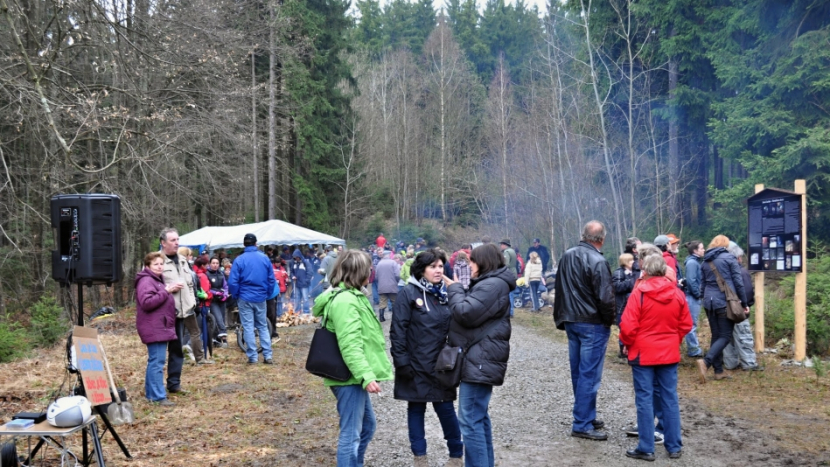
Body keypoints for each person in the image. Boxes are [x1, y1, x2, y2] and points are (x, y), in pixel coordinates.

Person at [312, 250, 393, 467]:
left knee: (366, 426)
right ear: (358, 272)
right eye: (368, 268)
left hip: (352, 375)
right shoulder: (346, 301)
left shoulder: (354, 295)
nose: (371, 271)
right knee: (351, 433)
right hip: (348, 376)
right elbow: (350, 345)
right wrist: (366, 376)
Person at [442, 243, 513, 467]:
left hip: (480, 360)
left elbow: (465, 313)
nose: (470, 265)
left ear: (483, 262)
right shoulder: (492, 283)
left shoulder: (492, 285)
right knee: (477, 418)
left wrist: (454, 289)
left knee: (470, 420)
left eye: (472, 261)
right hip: (481, 359)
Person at [391, 249, 463, 467]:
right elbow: (398, 330)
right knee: (416, 408)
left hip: (442, 365)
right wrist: (401, 362)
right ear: (422, 270)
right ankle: (420, 458)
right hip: (415, 364)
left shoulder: (445, 293)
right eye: (433, 267)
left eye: (441, 266)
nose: (438, 270)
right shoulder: (409, 293)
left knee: (446, 409)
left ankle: (456, 456)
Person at [620, 254, 692, 461]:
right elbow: (686, 324)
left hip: (643, 353)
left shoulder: (639, 293)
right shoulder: (677, 294)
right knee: (669, 398)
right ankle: (674, 446)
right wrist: (673, 339)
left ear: (646, 271)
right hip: (668, 353)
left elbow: (628, 325)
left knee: (644, 399)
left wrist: (627, 343)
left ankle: (646, 447)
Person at [553, 221, 615, 441]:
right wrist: (610, 320)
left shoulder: (567, 255)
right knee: (589, 374)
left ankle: (586, 415)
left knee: (579, 373)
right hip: (592, 323)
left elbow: (559, 287)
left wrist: (561, 317)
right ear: (601, 239)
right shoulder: (598, 261)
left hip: (572, 320)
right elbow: (606, 298)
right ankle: (582, 423)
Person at [159, 228, 211, 393]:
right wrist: (167, 289)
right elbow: (150, 286)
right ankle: (154, 388)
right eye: (173, 240)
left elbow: (190, 284)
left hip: (183, 311)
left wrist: (192, 303)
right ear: (163, 243)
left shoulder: (182, 260)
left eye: (177, 239)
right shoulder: (156, 261)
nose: (177, 243)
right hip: (165, 313)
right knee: (159, 354)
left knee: (177, 349)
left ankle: (174, 384)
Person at [696, 235, 748, 383]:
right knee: (725, 336)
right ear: (726, 245)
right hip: (724, 301)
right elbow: (738, 283)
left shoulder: (706, 261)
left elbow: (703, 284)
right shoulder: (729, 258)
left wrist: (703, 298)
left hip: (708, 302)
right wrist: (743, 303)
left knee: (716, 335)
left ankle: (718, 371)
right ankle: (706, 362)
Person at [135, 251, 178, 406]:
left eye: (161, 263)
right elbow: (147, 302)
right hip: (154, 327)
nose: (159, 267)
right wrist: (166, 291)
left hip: (159, 325)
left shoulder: (157, 280)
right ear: (148, 266)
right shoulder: (146, 281)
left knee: (155, 361)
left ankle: (151, 394)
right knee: (157, 362)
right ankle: (158, 397)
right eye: (155, 264)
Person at [228, 233, 276, 365]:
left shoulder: (239, 260)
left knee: (248, 327)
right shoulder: (264, 258)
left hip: (244, 297)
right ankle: (267, 355)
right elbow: (271, 279)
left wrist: (236, 294)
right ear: (256, 243)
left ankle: (253, 357)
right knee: (262, 326)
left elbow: (232, 282)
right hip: (260, 297)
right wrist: (268, 293)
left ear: (244, 244)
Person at [723, 242, 763, 371]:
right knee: (744, 335)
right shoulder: (741, 271)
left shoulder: (721, 270)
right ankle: (749, 363)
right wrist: (748, 304)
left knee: (728, 337)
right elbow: (747, 291)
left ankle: (730, 363)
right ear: (738, 257)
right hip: (739, 309)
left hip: (724, 308)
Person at [683, 241, 705, 358]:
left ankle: (694, 348)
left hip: (693, 296)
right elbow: (691, 281)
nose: (704, 250)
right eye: (702, 248)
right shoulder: (692, 263)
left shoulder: (695, 262)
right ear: (695, 251)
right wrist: (698, 294)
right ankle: (694, 350)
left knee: (692, 323)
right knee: (691, 324)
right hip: (692, 297)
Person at [612, 253, 636, 358]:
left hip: (631, 306)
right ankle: (622, 351)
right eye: (631, 261)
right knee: (623, 328)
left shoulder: (635, 273)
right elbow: (617, 287)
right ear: (626, 262)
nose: (633, 262)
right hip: (621, 306)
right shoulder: (618, 273)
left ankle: (631, 350)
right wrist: (631, 282)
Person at [206, 256, 230, 348]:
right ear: (210, 264)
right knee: (218, 318)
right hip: (213, 300)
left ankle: (216, 339)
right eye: (213, 263)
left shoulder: (221, 273)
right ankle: (224, 338)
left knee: (222, 319)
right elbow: (207, 288)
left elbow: (225, 286)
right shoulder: (207, 274)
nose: (215, 265)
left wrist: (225, 294)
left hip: (222, 300)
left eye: (217, 263)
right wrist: (215, 293)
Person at [374, 250, 401, 322]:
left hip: (382, 286)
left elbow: (376, 277)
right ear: (389, 255)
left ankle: (381, 317)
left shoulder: (379, 264)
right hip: (392, 285)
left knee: (382, 301)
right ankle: (395, 317)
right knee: (394, 302)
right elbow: (397, 275)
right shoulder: (393, 263)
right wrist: (396, 281)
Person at [499, 239, 519, 316]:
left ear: (504, 244)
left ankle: (509, 312)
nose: (500, 246)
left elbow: (506, 264)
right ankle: (511, 311)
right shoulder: (512, 251)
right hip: (514, 273)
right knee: (511, 293)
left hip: (508, 274)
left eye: (501, 244)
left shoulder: (506, 252)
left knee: (508, 294)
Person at [291, 248, 312, 314]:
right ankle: (298, 311)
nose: (296, 258)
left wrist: (306, 281)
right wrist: (292, 276)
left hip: (304, 284)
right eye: (295, 257)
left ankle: (306, 312)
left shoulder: (306, 262)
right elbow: (292, 272)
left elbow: (310, 272)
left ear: (299, 256)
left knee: (305, 299)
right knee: (297, 298)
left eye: (296, 257)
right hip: (297, 284)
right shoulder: (294, 263)